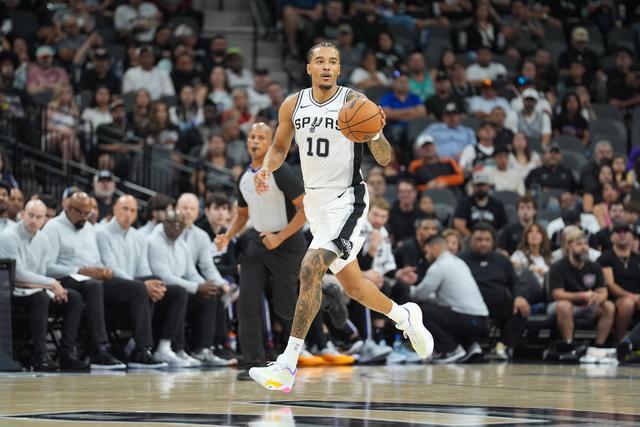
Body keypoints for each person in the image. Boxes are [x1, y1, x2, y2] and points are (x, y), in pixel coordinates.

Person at [248, 42, 433, 392]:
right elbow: (279, 147)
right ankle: (405, 316)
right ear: (309, 68)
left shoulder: (355, 102)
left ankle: (286, 365)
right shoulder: (293, 104)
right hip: (316, 205)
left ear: (339, 68)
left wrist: (374, 131)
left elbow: (384, 158)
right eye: (319, 61)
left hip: (347, 202)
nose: (326, 67)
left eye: (333, 61)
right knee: (355, 287)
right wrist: (265, 170)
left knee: (310, 268)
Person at [215, 123, 307, 378]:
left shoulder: (281, 170)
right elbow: (242, 215)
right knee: (247, 304)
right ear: (247, 142)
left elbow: (306, 208)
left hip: (287, 244)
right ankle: (252, 362)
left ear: (270, 143)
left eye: (261, 137)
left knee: (285, 308)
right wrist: (227, 236)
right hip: (258, 242)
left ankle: (327, 300)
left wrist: (280, 237)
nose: (255, 141)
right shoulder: (244, 178)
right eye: (252, 137)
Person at [42, 192, 129, 370]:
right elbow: (47, 267)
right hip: (62, 278)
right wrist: (78, 270)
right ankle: (100, 349)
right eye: (80, 212)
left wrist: (102, 270)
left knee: (132, 288)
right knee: (93, 286)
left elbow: (94, 260)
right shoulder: (53, 227)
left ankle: (139, 349)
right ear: (68, 208)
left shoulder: (89, 228)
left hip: (88, 279)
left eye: (87, 213)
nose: (84, 217)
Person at [96, 195, 184, 368]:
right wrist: (143, 285)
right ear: (115, 209)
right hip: (109, 285)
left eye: (132, 210)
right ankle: (141, 349)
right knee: (141, 288)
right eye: (124, 209)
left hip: (133, 287)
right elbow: (111, 268)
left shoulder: (138, 238)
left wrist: (152, 284)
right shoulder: (101, 233)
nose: (128, 214)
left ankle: (163, 347)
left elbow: (144, 271)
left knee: (173, 289)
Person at [0, 200, 87, 371]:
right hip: (12, 291)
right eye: (30, 215)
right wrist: (51, 284)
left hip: (36, 288)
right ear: (23, 215)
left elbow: (42, 272)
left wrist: (52, 290)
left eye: (39, 217)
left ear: (44, 219)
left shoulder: (43, 239)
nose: (34, 220)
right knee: (40, 298)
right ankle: (40, 355)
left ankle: (67, 354)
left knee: (74, 298)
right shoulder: (9, 237)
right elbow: (17, 275)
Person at [410, 235, 489, 363]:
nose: (426, 256)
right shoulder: (459, 262)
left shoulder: (439, 266)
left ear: (435, 248)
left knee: (418, 311)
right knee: (445, 313)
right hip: (481, 321)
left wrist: (406, 288)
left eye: (427, 252)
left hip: (467, 319)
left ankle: (449, 350)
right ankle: (470, 347)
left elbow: (420, 295)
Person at [175, 192, 233, 367]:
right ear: (177, 209)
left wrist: (221, 284)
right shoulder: (169, 231)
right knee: (182, 294)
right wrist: (199, 285)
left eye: (192, 208)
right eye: (184, 208)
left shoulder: (201, 235)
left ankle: (205, 348)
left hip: (191, 281)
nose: (187, 212)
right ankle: (177, 349)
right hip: (173, 283)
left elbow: (207, 266)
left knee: (213, 294)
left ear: (197, 212)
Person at [460, 223, 531, 360]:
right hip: (470, 307)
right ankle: (469, 347)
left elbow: (514, 283)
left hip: (498, 306)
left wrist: (519, 297)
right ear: (471, 241)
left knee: (522, 310)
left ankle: (503, 346)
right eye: (479, 239)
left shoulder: (502, 260)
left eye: (487, 240)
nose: (483, 243)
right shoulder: (461, 260)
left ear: (493, 242)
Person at [547, 228, 615, 352]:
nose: (584, 247)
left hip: (587, 306)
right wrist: (583, 295)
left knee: (609, 306)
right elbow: (557, 294)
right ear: (568, 246)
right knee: (564, 306)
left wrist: (598, 297)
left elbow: (603, 290)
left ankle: (598, 347)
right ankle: (568, 345)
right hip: (560, 306)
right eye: (579, 244)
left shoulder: (594, 266)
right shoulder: (558, 267)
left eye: (585, 244)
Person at [597, 224, 640, 343]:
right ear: (612, 237)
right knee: (627, 304)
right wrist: (632, 296)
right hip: (615, 298)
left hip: (637, 296)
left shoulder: (637, 258)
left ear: (632, 237)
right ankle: (619, 341)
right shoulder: (605, 258)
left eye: (625, 231)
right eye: (618, 232)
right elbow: (611, 285)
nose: (622, 234)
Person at [453, 171, 508, 237]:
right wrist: (473, 238)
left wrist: (492, 239)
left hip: (492, 239)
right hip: (469, 239)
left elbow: (504, 228)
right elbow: (458, 224)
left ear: (488, 186)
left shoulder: (498, 205)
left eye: (483, 185)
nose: (480, 188)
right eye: (478, 185)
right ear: (473, 186)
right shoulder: (464, 203)